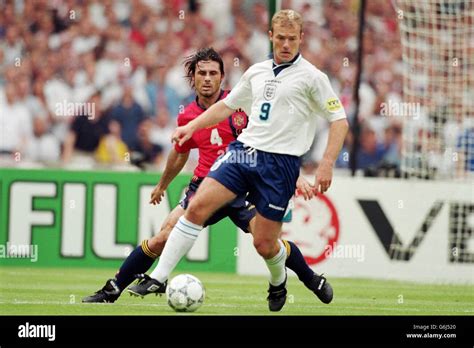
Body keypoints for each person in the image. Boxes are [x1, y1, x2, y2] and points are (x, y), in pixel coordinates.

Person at [132, 10, 349, 312]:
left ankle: (278, 281)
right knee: (195, 207)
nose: (285, 44)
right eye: (280, 38)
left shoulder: (313, 78)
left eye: (292, 39)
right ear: (271, 36)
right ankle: (158, 276)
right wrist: (191, 126)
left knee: (264, 244)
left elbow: (339, 120)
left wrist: (326, 162)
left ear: (301, 38)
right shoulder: (256, 71)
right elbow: (226, 106)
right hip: (243, 152)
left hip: (280, 165)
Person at [83, 47, 333, 305]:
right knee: (164, 236)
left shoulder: (242, 106)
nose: (207, 78)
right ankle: (112, 289)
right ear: (193, 77)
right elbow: (179, 154)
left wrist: (296, 177)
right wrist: (162, 185)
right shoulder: (187, 114)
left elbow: (271, 143)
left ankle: (309, 278)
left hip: (245, 187)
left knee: (267, 244)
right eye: (202, 73)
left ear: (222, 77)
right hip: (205, 185)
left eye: (213, 73)